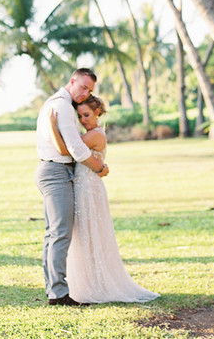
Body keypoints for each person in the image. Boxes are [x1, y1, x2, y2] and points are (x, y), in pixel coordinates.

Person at [50, 94, 160, 304]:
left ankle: (97, 283)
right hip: (83, 186)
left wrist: (53, 126)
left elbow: (65, 150)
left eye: (86, 115)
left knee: (91, 234)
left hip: (89, 190)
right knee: (84, 234)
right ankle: (85, 280)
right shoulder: (90, 133)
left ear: (97, 112)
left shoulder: (95, 135)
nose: (83, 120)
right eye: (79, 116)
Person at [35, 68, 109, 306]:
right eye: (83, 87)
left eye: (90, 90)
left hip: (55, 170)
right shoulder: (64, 106)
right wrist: (98, 167)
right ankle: (58, 293)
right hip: (56, 172)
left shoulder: (59, 104)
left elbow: (68, 146)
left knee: (54, 234)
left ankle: (54, 289)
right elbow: (75, 150)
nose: (85, 93)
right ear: (72, 81)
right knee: (60, 233)